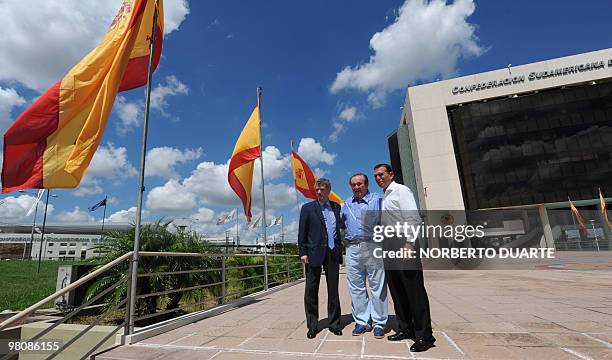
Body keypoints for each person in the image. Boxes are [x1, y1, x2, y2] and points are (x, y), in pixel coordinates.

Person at [373, 163, 436, 352]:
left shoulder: (401, 191)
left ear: (391, 174)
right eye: (375, 176)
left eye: (381, 174)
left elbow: (413, 219)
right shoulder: (385, 196)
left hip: (404, 244)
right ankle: (405, 328)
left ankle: (425, 336)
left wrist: (409, 244)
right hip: (389, 246)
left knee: (414, 290)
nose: (378, 178)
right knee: (397, 290)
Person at [341, 173, 387, 339]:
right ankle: (362, 321)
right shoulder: (345, 204)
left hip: (373, 245)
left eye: (359, 184)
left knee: (377, 285)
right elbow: (341, 223)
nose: (356, 187)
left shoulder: (378, 200)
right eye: (353, 185)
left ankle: (379, 322)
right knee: (356, 286)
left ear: (366, 184)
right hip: (352, 248)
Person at [298, 178, 344, 339]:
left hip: (332, 253)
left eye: (322, 189)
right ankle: (312, 325)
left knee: (333, 290)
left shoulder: (337, 207)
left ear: (328, 190)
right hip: (313, 254)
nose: (319, 192)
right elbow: (302, 233)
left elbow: (339, 229)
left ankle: (334, 324)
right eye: (317, 189)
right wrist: (302, 252)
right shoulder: (307, 208)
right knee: (311, 291)